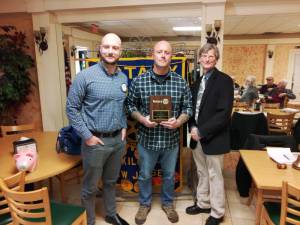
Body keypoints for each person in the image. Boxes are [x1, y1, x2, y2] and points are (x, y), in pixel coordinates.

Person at [126, 40, 193, 225]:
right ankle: (144, 204)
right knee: (145, 175)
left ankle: (168, 203)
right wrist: (142, 119)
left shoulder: (180, 82)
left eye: (167, 52)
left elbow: (188, 107)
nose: (163, 55)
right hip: (147, 140)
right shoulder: (139, 81)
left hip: (170, 141)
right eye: (159, 52)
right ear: (152, 55)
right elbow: (130, 105)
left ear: (172, 56)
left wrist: (178, 121)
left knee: (169, 176)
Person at [66, 33, 129, 225]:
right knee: (90, 187)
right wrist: (87, 136)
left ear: (120, 51)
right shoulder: (85, 77)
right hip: (95, 142)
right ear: (100, 49)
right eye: (107, 47)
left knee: (110, 182)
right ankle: (90, 220)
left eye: (115, 48)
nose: (111, 51)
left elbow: (122, 105)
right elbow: (71, 109)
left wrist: (124, 125)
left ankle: (111, 214)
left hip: (117, 141)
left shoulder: (122, 77)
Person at [186, 43, 233, 225]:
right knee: (202, 172)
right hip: (196, 137)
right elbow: (192, 109)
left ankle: (217, 212)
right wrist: (192, 127)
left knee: (215, 175)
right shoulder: (198, 81)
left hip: (214, 137)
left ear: (216, 59)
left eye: (211, 56)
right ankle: (203, 203)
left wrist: (202, 131)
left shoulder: (224, 81)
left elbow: (223, 114)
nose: (206, 59)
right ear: (199, 59)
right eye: (204, 56)